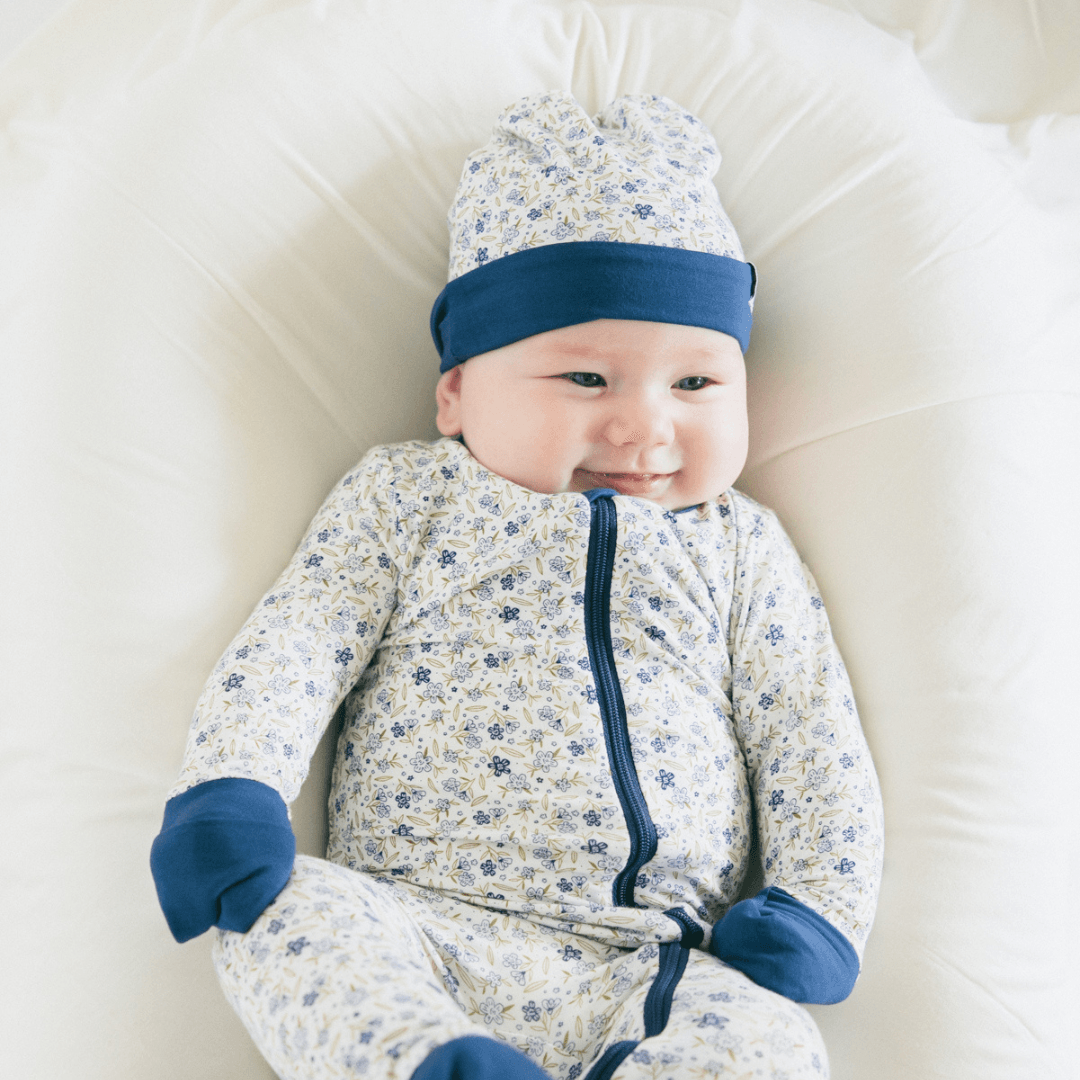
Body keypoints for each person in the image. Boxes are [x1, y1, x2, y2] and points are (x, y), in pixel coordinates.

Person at [150, 91, 884, 1080]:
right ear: (456, 394)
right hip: (413, 920)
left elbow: (807, 724)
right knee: (281, 917)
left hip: (652, 962)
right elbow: (302, 640)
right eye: (586, 379)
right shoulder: (408, 498)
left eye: (695, 384)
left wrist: (820, 905)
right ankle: (436, 1064)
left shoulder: (741, 548)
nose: (643, 426)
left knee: (769, 1044)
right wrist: (231, 789)